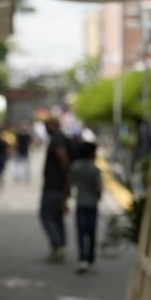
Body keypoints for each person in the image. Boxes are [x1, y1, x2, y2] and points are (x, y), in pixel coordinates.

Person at [39, 117, 71, 261]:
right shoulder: (61, 138)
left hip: (54, 186)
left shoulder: (57, 140)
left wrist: (66, 178)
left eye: (47, 125)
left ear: (52, 125)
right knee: (57, 217)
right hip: (58, 185)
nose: (46, 128)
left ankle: (58, 245)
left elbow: (62, 156)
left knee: (47, 215)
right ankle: (60, 246)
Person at [69, 141, 103, 273]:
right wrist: (98, 197)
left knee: (81, 232)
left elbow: (70, 182)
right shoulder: (95, 169)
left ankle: (82, 258)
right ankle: (90, 257)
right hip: (92, 204)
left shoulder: (75, 166)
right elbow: (98, 187)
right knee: (92, 231)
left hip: (80, 203)